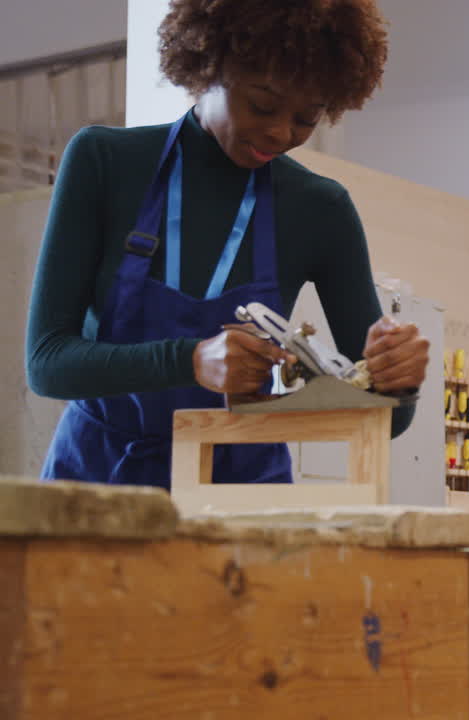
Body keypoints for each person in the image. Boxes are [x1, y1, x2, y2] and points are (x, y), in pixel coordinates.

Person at [27, 0, 428, 489]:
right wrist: (191, 361)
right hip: (98, 485)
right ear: (209, 65)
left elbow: (385, 421)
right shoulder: (105, 162)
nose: (280, 132)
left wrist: (396, 380)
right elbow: (47, 364)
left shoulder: (320, 209)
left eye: (307, 119)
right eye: (261, 105)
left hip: (240, 498)